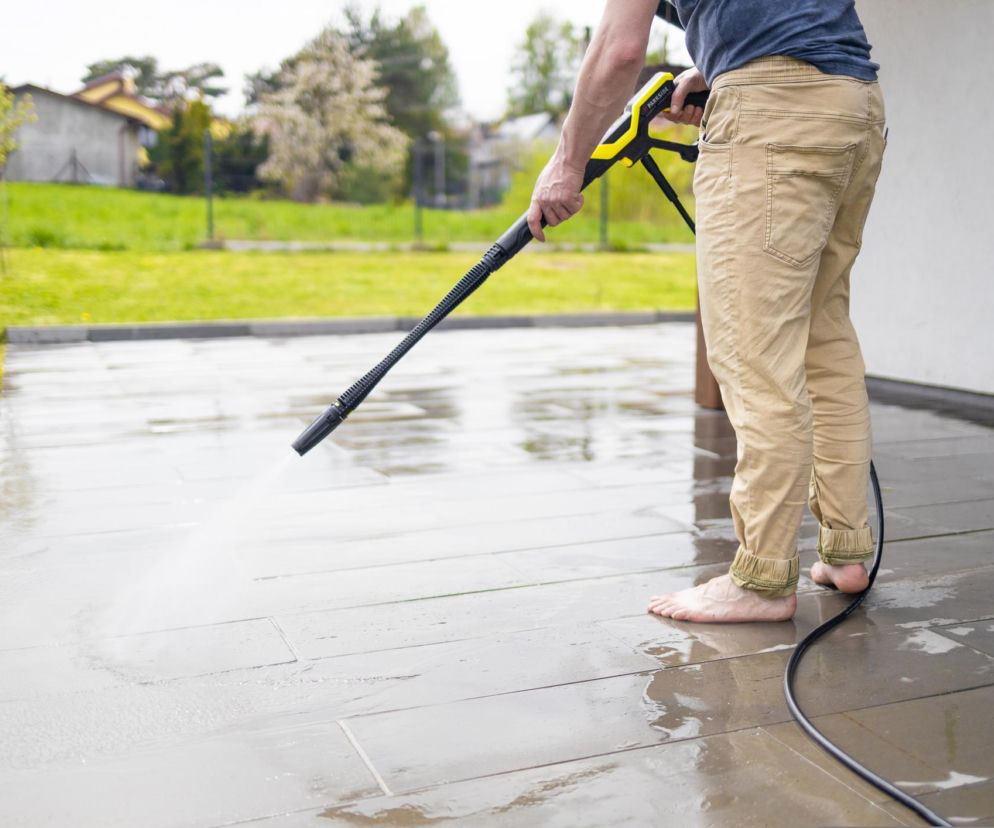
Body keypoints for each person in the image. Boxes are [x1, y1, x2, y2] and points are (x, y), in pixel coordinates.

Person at [526, 0, 886, 623]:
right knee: (822, 338)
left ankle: (764, 578)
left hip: (773, 116)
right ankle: (846, 550)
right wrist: (716, 70)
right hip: (853, 101)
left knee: (755, 355)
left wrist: (567, 160)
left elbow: (618, 50)